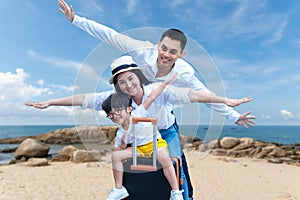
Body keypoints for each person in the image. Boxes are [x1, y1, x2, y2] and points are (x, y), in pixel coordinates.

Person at [57, 2, 256, 199]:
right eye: (164, 48)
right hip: (138, 129)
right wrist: (75, 20)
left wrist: (233, 116)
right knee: (132, 172)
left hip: (165, 128)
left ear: (181, 54)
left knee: (176, 166)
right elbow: (110, 36)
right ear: (157, 45)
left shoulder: (184, 73)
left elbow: (203, 95)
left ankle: (185, 197)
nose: (166, 55)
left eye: (173, 52)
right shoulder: (141, 51)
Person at [26, 56, 252, 200]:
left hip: (165, 132)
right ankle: (125, 192)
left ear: (139, 77)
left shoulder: (158, 92)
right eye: (121, 82)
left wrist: (226, 102)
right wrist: (50, 102)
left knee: (175, 164)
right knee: (128, 166)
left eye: (131, 79)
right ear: (117, 85)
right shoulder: (115, 98)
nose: (128, 85)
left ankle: (182, 196)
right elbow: (84, 98)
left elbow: (194, 95)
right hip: (137, 136)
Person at [103, 74, 184, 199]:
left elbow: (151, 97)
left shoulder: (138, 113)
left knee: (163, 157)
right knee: (115, 156)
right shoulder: (120, 132)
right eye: (111, 114)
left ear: (129, 109)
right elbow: (118, 151)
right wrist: (123, 146)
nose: (115, 116)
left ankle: (175, 191)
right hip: (138, 150)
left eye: (117, 111)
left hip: (155, 144)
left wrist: (166, 82)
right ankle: (119, 189)